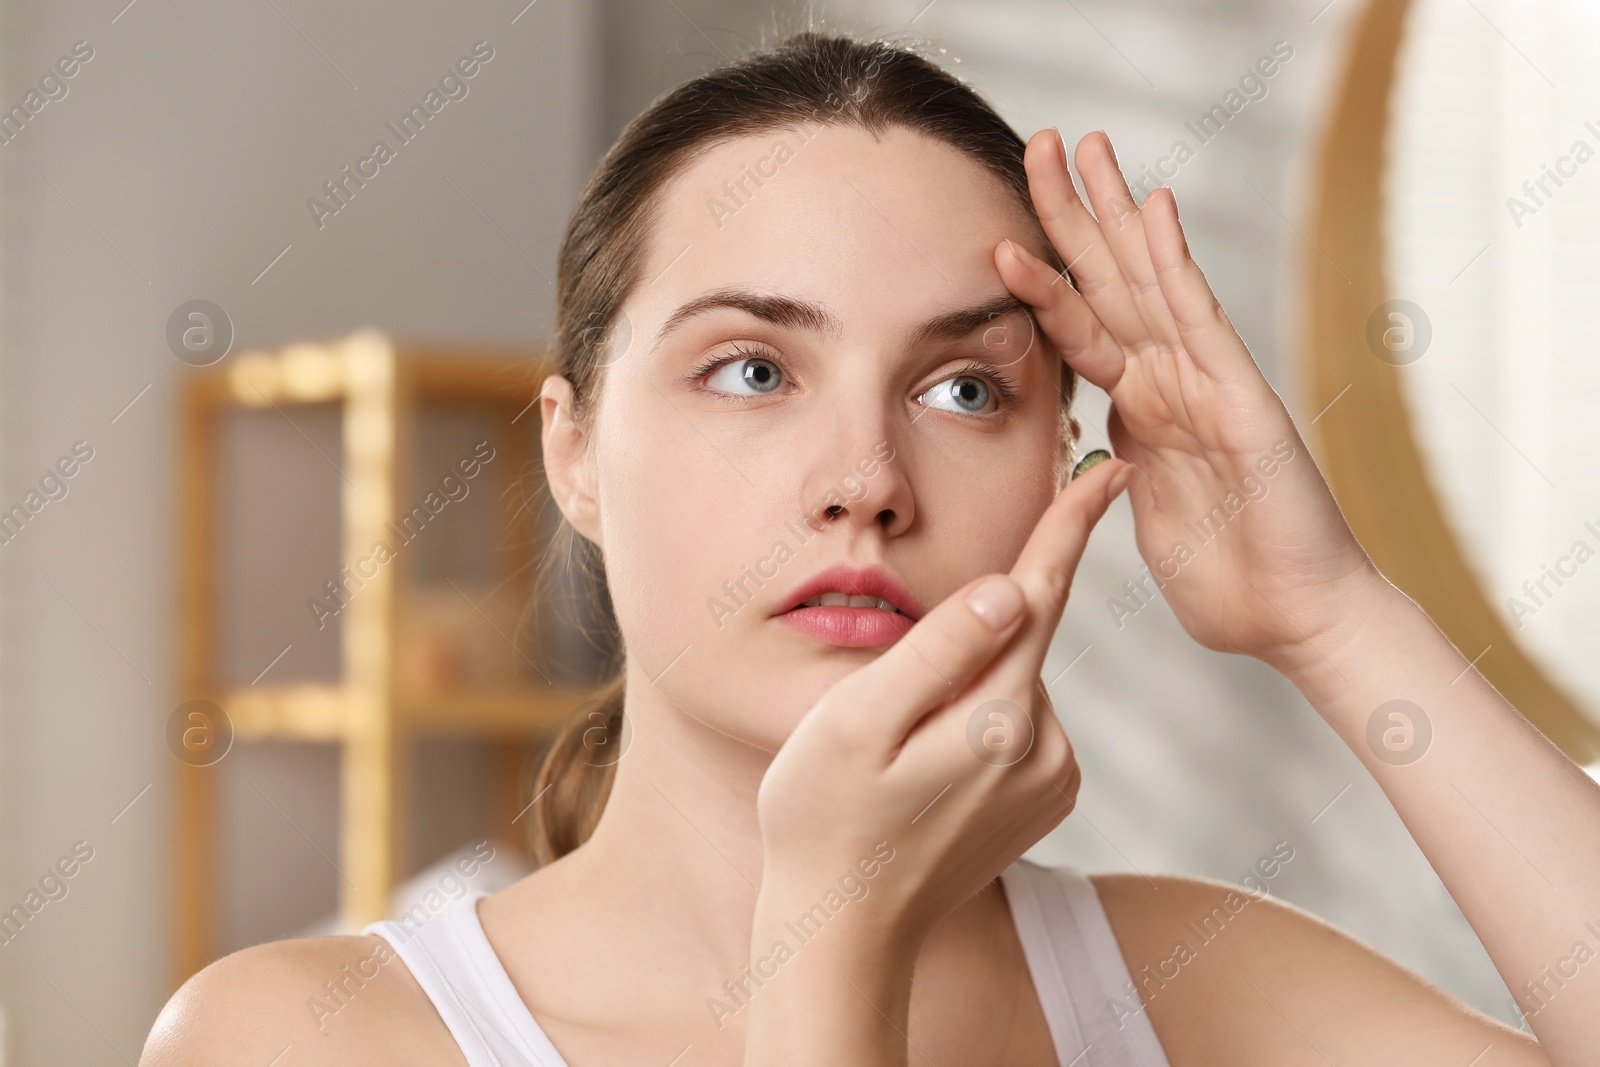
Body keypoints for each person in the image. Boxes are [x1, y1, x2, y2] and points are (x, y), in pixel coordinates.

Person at [142, 31, 1596, 1066]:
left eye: (965, 389)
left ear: (1061, 463)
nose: (867, 482)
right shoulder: (307, 1038)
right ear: (571, 449)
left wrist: (1328, 613)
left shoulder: (1191, 991)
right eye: (754, 370)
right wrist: (835, 948)